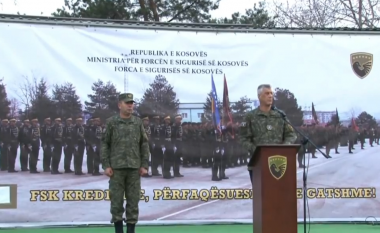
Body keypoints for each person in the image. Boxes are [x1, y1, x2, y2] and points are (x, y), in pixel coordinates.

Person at [101, 93, 149, 233]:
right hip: (116, 169)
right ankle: (118, 230)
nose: (130, 105)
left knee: (133, 201)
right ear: (119, 105)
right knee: (116, 202)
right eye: (127, 103)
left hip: (134, 168)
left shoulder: (137, 122)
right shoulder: (112, 122)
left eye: (131, 103)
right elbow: (105, 144)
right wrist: (106, 165)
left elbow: (144, 144)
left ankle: (130, 230)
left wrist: (144, 165)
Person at [239, 84, 297, 182]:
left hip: (280, 162)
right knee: (261, 195)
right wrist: (257, 151)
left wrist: (284, 147)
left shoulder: (280, 115)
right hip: (259, 164)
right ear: (259, 96)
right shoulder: (250, 116)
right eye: (267, 93)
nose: (270, 96)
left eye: (271, 93)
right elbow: (243, 138)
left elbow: (291, 134)